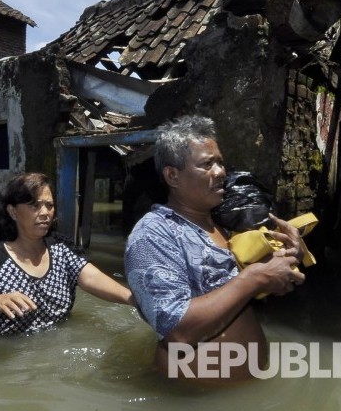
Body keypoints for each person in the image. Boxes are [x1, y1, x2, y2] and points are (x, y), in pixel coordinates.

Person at [124, 115, 305, 380]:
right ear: (173, 175)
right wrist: (254, 278)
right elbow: (178, 333)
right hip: (192, 403)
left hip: (247, 393)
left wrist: (286, 260)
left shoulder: (219, 224)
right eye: (207, 164)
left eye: (220, 162)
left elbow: (245, 293)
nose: (221, 172)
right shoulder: (152, 235)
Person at [0, 172, 134, 336]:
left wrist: (134, 299)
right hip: (1, 358)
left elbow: (92, 277)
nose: (45, 213)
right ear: (13, 211)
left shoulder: (61, 249)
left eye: (49, 205)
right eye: (35, 206)